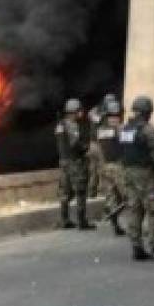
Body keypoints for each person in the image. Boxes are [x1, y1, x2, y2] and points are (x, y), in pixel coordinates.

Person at [119, 96, 154, 262]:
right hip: (146, 175)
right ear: (147, 113)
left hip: (128, 173)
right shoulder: (148, 131)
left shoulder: (125, 130)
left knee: (135, 210)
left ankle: (137, 248)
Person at [56, 98, 94, 230]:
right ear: (74, 111)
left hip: (63, 162)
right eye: (79, 110)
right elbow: (74, 144)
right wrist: (86, 149)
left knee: (65, 191)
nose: (81, 113)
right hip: (75, 162)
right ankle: (82, 221)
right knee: (80, 191)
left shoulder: (60, 125)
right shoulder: (72, 125)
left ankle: (64, 220)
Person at [94, 99, 126, 236]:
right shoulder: (119, 129)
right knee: (130, 197)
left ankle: (115, 225)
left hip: (104, 166)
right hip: (118, 167)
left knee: (112, 197)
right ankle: (138, 228)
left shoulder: (101, 130)